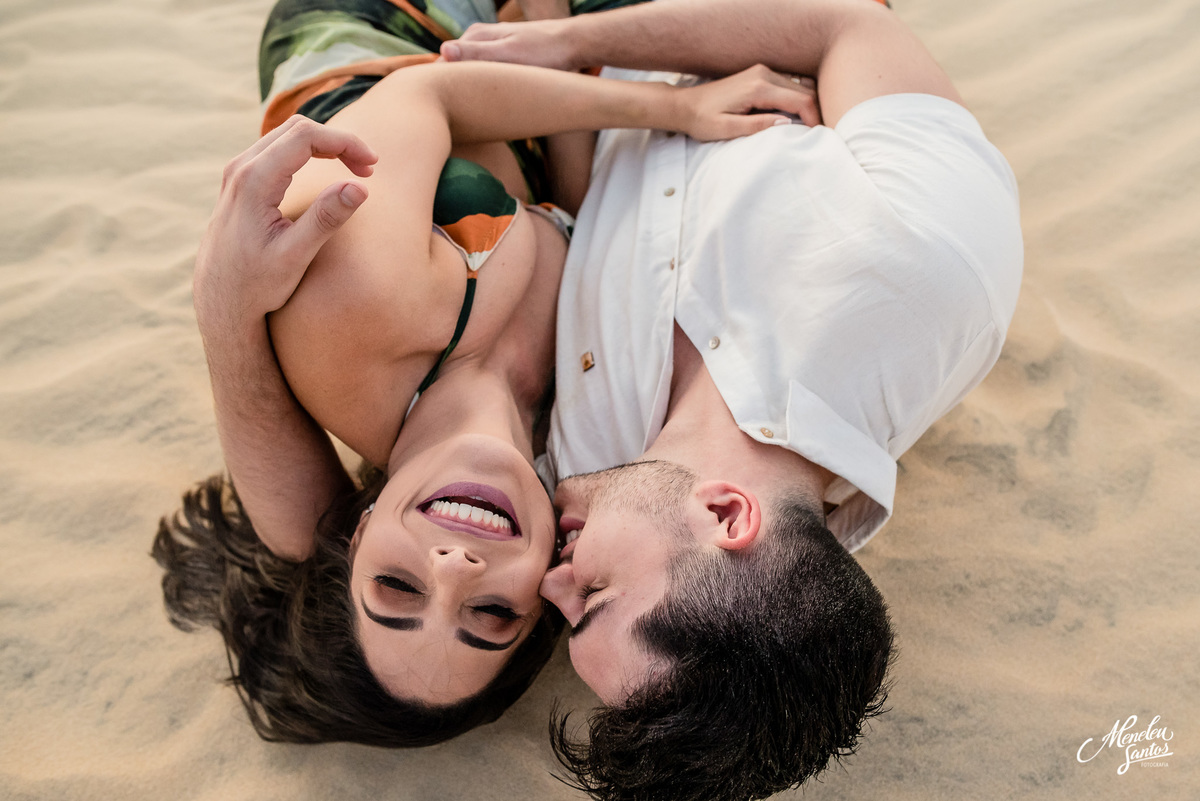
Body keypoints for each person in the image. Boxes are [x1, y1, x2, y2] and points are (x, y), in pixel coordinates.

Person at [152, 0, 817, 749]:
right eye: (491, 615)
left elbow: (428, 94)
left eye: (396, 587)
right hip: (532, 103)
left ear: (360, 530)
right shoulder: (592, 442)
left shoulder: (356, 319)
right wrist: (555, 31)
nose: (455, 568)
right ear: (548, 591)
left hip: (393, 40)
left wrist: (675, 107)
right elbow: (585, 218)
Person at [444, 0, 1024, 797]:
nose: (551, 583)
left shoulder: (587, 460)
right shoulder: (932, 281)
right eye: (593, 597)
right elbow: (846, 26)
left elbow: (596, 212)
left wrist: (565, 55)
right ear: (725, 515)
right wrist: (573, 36)